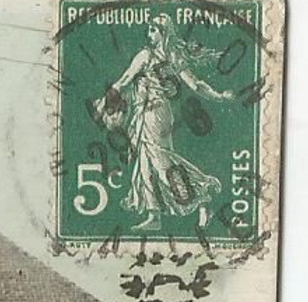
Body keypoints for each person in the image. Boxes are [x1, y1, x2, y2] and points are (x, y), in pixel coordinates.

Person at [92, 13, 237, 232]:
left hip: (154, 114)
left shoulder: (147, 55)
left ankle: (202, 197)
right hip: (149, 113)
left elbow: (124, 81)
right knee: (145, 164)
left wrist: (103, 103)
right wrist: (219, 96)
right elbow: (196, 84)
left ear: (163, 33)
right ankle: (154, 216)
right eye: (149, 29)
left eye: (153, 30)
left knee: (162, 164)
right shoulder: (172, 56)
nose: (149, 34)